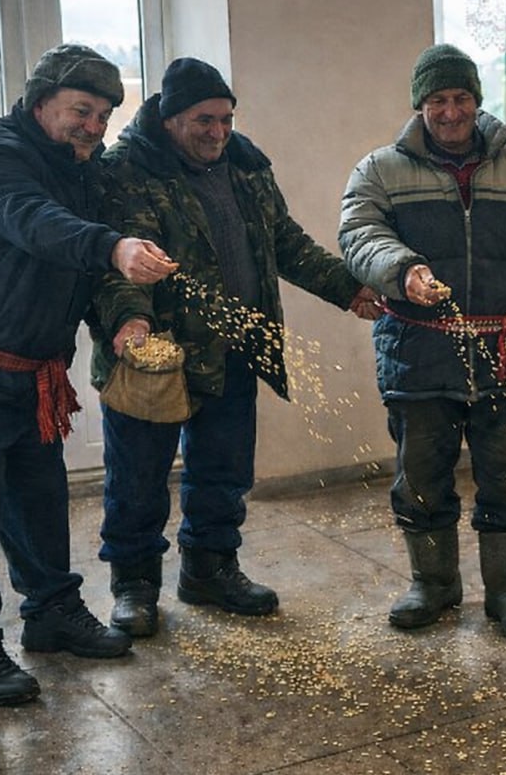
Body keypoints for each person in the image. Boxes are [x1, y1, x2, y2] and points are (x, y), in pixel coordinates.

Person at [0, 43, 178, 707]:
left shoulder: (83, 169)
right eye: (81, 110)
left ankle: (51, 611)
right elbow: (37, 224)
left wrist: (126, 318)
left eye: (103, 115)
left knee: (39, 500)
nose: (93, 126)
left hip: (29, 372)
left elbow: (90, 264)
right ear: (40, 101)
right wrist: (112, 246)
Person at [90, 58, 380, 638]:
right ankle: (135, 585)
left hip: (236, 348)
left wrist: (348, 289)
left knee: (223, 473)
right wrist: (131, 323)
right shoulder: (127, 169)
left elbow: (285, 242)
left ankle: (210, 569)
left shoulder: (245, 164)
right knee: (138, 478)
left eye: (226, 119)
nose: (218, 131)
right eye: (205, 120)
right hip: (155, 355)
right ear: (170, 118)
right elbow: (119, 261)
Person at [338, 43, 506, 643]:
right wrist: (403, 270)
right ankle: (434, 583)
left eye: (462, 98)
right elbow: (360, 235)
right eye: (438, 100)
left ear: (477, 100)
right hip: (419, 353)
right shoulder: (378, 171)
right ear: (419, 105)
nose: (451, 112)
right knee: (421, 477)